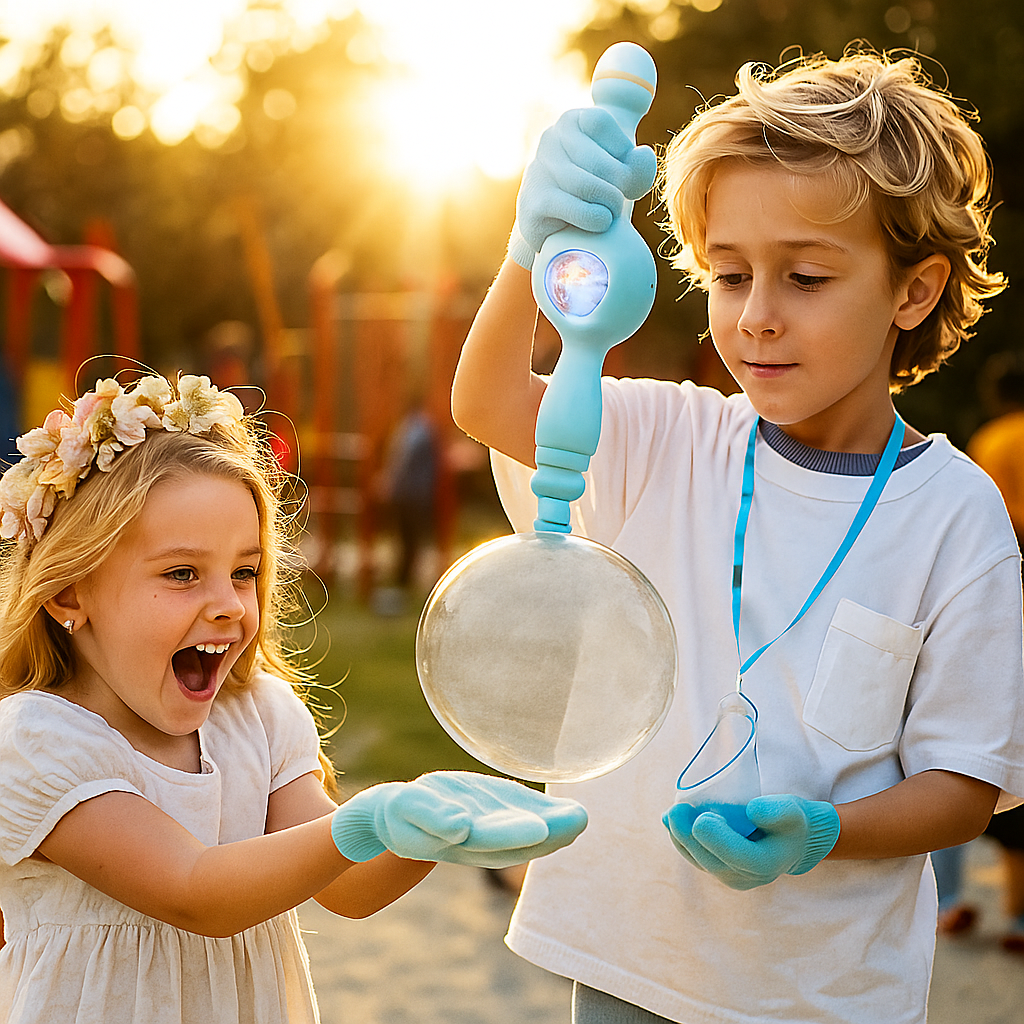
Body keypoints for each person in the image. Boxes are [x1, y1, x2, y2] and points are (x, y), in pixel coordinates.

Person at [451, 49, 1024, 1024]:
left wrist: (819, 829)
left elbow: (962, 786)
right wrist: (527, 242)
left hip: (826, 995)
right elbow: (489, 401)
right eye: (727, 276)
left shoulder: (955, 518)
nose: (755, 318)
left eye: (803, 277)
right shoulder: (669, 438)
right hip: (626, 961)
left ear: (913, 293)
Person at [0, 371, 587, 1023]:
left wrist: (424, 824)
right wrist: (367, 821)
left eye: (244, 572)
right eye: (182, 573)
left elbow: (347, 885)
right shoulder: (39, 741)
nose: (227, 604)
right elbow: (195, 891)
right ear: (69, 593)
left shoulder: (259, 716)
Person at [933, 350, 1024, 948]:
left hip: (1008, 576)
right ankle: (1018, 914)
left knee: (949, 741)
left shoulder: (993, 440)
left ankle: (950, 899)